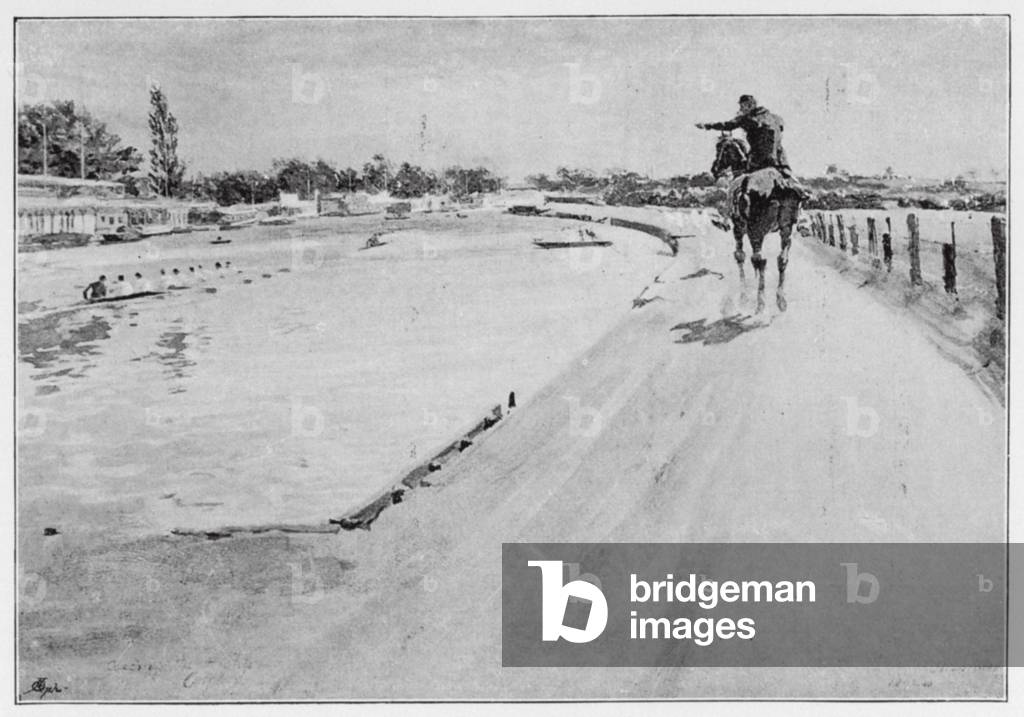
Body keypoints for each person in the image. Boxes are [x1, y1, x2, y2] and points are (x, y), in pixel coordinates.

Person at [697, 94, 810, 198]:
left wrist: (707, 126)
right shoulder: (777, 118)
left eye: (743, 107)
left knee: (740, 186)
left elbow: (728, 125)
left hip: (759, 161)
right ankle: (802, 192)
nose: (741, 110)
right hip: (781, 162)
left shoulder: (749, 119)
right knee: (791, 181)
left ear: (751, 106)